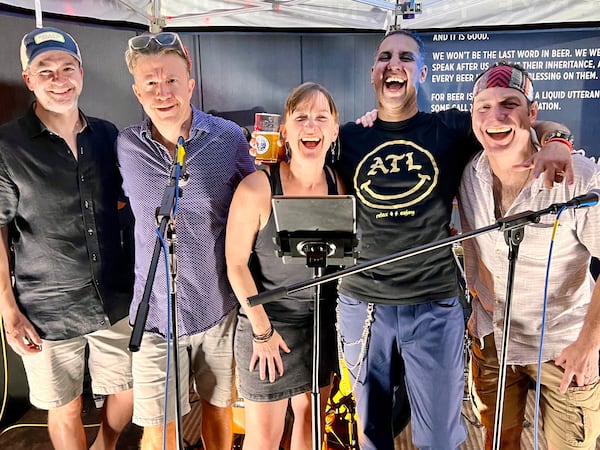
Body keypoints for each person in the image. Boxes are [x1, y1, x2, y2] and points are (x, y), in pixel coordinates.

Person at [334, 29, 575, 450]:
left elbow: (525, 123)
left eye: (406, 57)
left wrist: (557, 142)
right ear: (372, 73)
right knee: (371, 430)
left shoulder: (450, 128)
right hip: (363, 301)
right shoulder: (350, 137)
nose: (395, 64)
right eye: (385, 57)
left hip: (433, 301)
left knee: (440, 436)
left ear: (422, 71)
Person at [117, 31, 255, 450]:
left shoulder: (228, 137)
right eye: (151, 84)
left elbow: (258, 197)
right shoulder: (125, 145)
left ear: (190, 84)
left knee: (217, 413)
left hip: (217, 308)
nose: (163, 93)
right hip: (155, 314)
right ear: (137, 90)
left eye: (171, 80)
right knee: (161, 432)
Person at [0, 27, 134, 450]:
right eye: (45, 70)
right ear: (29, 79)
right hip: (47, 306)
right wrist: (8, 310)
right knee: (65, 406)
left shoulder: (108, 135)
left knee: (128, 390)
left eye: (66, 68)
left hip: (114, 294)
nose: (58, 79)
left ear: (81, 72)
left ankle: (106, 445)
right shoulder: (7, 146)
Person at [458, 61, 600, 450]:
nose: (495, 116)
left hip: (564, 345)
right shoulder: (468, 172)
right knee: (497, 442)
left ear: (532, 112)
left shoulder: (579, 176)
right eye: (483, 107)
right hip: (493, 340)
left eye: (509, 104)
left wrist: (590, 343)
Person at [226, 82, 343, 450]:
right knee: (264, 435)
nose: (312, 126)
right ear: (286, 131)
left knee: (311, 422)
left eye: (321, 117)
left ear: (335, 130)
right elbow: (236, 265)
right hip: (269, 324)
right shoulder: (257, 188)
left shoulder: (342, 185)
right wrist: (262, 331)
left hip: (321, 323)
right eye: (301, 117)